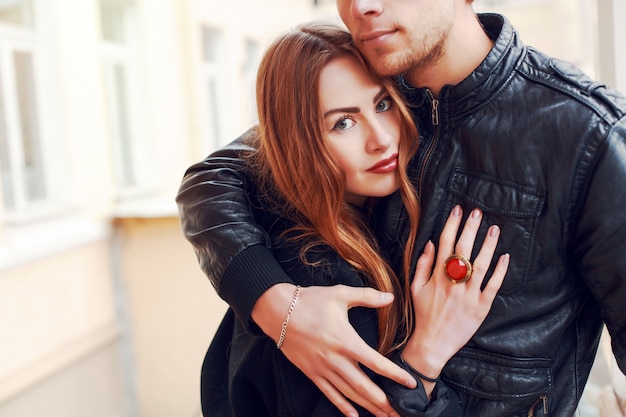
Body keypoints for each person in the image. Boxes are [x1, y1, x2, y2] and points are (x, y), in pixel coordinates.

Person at [177, 1, 626, 416]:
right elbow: (216, 174)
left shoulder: (588, 132)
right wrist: (275, 303)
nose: (360, 6)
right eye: (345, 122)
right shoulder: (371, 72)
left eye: (383, 106)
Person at [195, 23, 509, 417]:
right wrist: (428, 351)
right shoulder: (322, 278)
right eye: (343, 122)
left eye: (382, 104)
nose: (380, 138)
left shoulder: (356, 220)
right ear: (299, 142)